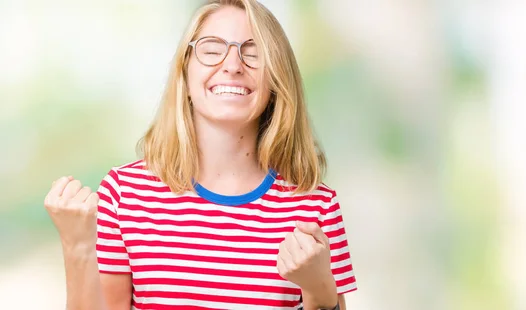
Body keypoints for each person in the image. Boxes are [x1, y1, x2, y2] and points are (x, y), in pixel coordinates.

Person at [43, 0, 357, 309]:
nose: (233, 65)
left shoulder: (316, 206)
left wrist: (319, 289)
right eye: (211, 50)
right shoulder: (125, 194)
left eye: (253, 53)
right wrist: (78, 247)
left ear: (276, 79)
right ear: (185, 73)